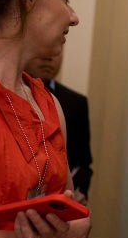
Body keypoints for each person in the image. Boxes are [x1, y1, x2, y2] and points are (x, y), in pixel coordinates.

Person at [0, 0, 91, 238]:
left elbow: (73, 214)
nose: (73, 17)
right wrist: (68, 234)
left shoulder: (49, 104)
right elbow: (76, 228)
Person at [25, 51, 93, 205]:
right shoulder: (9, 95)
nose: (48, 57)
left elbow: (83, 164)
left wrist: (79, 192)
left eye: (57, 50)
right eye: (43, 48)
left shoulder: (76, 102)